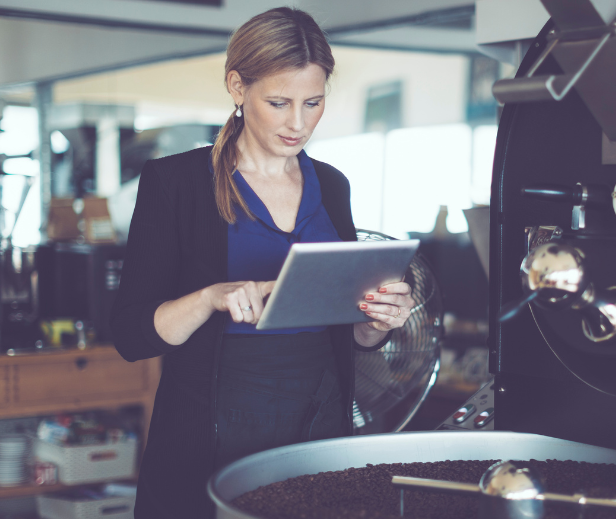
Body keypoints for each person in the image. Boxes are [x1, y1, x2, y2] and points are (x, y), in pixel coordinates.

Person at [110, 7, 415, 518]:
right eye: (279, 102)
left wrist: (375, 322)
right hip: (213, 419)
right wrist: (210, 297)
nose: (298, 123)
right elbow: (130, 334)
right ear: (237, 86)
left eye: (313, 102)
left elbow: (349, 330)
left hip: (319, 413)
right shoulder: (177, 184)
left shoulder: (333, 185)